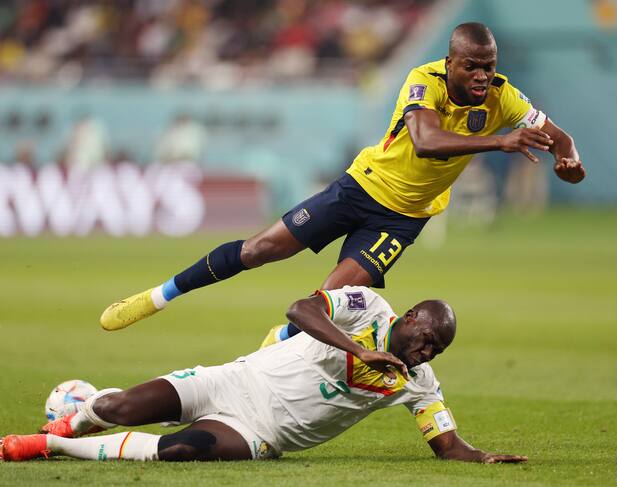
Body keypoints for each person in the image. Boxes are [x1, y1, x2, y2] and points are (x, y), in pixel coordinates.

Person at [99, 22, 585, 336]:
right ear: (450, 62)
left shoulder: (504, 96)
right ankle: (159, 296)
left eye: (489, 67)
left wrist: (570, 160)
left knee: (324, 306)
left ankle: (274, 347)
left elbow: (558, 136)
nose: (482, 76)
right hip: (361, 188)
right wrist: (499, 143)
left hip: (402, 220)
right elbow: (425, 142)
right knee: (260, 250)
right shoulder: (423, 80)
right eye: (472, 67)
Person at [1, 286, 526, 464]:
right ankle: (73, 420)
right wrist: (358, 353)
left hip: (260, 433)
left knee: (178, 452)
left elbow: (447, 444)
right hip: (234, 380)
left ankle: (49, 445)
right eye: (426, 337)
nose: (427, 351)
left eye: (438, 349)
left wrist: (480, 456)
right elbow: (300, 309)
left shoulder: (418, 383)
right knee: (116, 409)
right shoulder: (366, 306)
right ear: (409, 317)